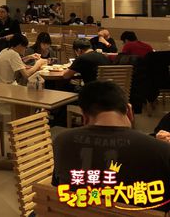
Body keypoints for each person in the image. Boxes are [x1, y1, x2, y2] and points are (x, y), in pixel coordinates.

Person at [52, 81, 170, 212]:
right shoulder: (161, 150)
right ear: (129, 111)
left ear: (84, 117)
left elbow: (57, 186)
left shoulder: (61, 141)